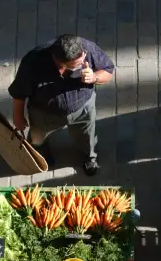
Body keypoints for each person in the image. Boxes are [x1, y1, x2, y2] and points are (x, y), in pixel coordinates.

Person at [9, 34, 114, 176]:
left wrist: (95, 77)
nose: (84, 61)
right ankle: (40, 154)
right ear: (61, 63)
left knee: (87, 135)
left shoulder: (86, 48)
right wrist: (18, 117)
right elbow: (19, 92)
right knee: (38, 138)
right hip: (44, 112)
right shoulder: (33, 62)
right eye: (77, 63)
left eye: (83, 56)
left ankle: (89, 157)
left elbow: (108, 70)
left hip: (83, 108)